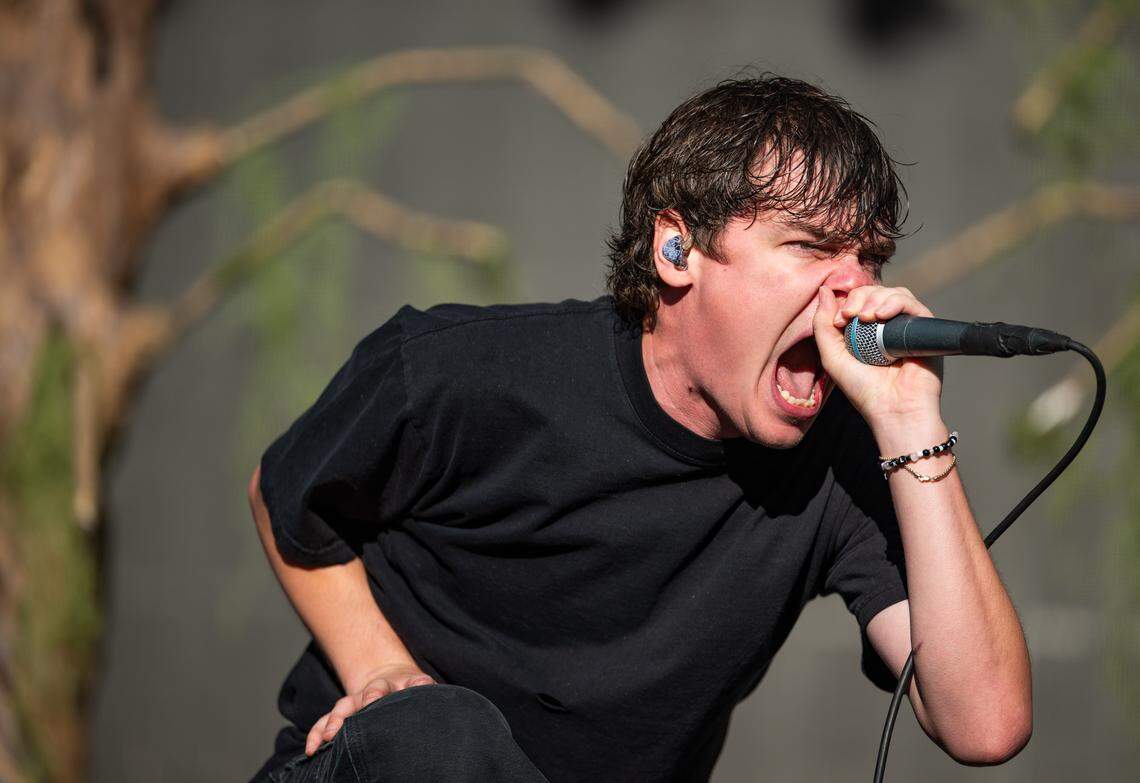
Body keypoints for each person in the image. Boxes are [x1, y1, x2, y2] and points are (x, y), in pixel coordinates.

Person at [247, 74, 1032, 783]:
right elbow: (281, 490)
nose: (855, 291)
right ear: (676, 246)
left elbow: (986, 723)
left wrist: (909, 420)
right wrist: (381, 670)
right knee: (441, 738)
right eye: (811, 246)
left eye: (871, 258)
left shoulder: (843, 464)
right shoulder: (467, 372)